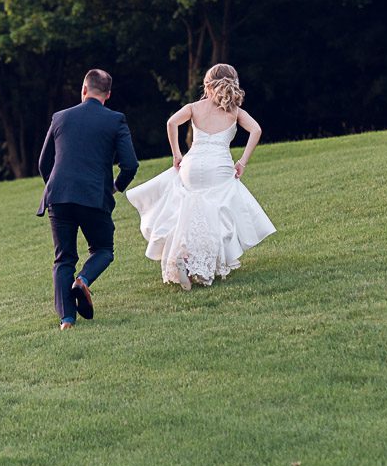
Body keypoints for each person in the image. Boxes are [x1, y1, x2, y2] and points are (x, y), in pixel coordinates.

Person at [126, 63, 275, 290]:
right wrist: (242, 161)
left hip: (192, 165)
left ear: (207, 85)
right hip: (220, 166)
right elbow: (256, 130)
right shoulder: (234, 111)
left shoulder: (194, 107)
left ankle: (183, 257)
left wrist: (177, 153)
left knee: (188, 212)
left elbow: (171, 122)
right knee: (217, 214)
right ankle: (198, 266)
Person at [36, 69, 138, 330]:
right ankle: (82, 280)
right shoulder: (116, 120)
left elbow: (43, 163)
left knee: (63, 258)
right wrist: (115, 187)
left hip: (58, 197)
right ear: (108, 94)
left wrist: (57, 187)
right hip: (94, 196)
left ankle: (67, 321)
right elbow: (130, 164)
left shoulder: (60, 118)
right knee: (103, 250)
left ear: (83, 89)